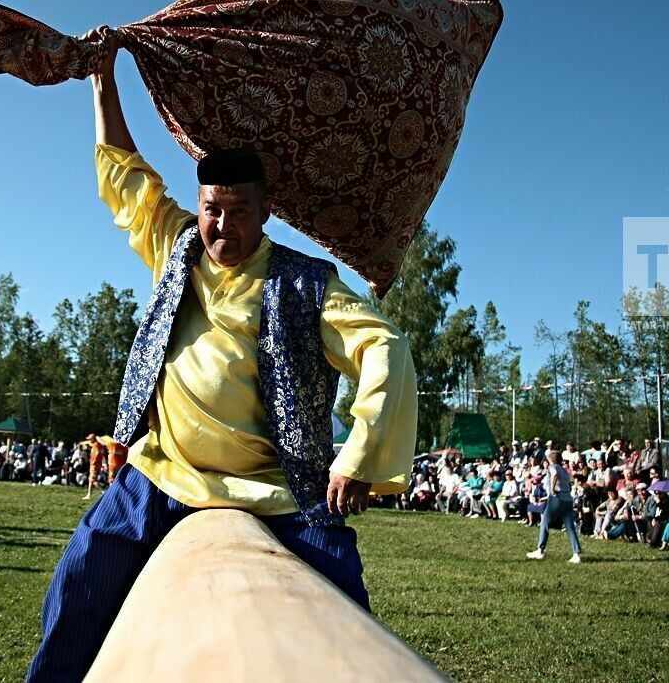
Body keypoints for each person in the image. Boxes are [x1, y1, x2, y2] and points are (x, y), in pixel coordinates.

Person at [25, 37, 417, 682]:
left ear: (266, 212)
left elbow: (385, 345)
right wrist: (104, 81)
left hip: (276, 491)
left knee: (342, 618)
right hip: (160, 476)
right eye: (211, 210)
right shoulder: (176, 248)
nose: (221, 226)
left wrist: (359, 457)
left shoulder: (306, 283)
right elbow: (126, 175)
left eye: (238, 212)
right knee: (78, 586)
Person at [526, 450, 582, 563]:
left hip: (557, 498)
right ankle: (576, 554)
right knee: (570, 527)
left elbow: (555, 473)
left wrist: (552, 489)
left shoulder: (553, 466)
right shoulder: (565, 470)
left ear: (550, 458)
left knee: (545, 522)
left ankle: (540, 550)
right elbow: (571, 479)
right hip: (568, 499)